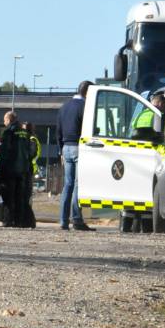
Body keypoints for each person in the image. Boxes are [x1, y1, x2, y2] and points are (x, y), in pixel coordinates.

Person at [56, 81, 96, 231]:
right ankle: (77, 220)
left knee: (68, 185)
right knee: (78, 185)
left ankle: (63, 220)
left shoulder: (64, 107)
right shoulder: (85, 107)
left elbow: (58, 131)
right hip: (79, 147)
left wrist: (61, 150)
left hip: (66, 147)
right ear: (87, 92)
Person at [0, 112, 33, 228]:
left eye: (4, 120)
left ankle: (8, 220)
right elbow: (30, 152)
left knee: (9, 196)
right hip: (23, 169)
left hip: (10, 169)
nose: (4, 123)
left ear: (9, 120)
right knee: (20, 197)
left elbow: (4, 152)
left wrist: (0, 168)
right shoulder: (25, 133)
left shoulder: (8, 132)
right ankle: (19, 221)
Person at [21, 121, 40, 228]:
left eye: (24, 129)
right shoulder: (27, 139)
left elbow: (33, 154)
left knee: (26, 196)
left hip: (28, 169)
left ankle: (28, 221)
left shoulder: (32, 139)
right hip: (25, 169)